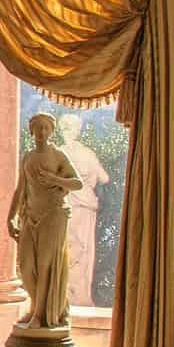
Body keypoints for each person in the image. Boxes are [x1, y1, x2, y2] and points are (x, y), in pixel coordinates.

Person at [6, 112, 83, 332]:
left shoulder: (57, 155)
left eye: (45, 128)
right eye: (38, 127)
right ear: (31, 131)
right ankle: (39, 306)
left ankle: (39, 314)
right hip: (30, 216)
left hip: (53, 215)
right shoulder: (28, 157)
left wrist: (55, 179)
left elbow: (78, 183)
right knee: (26, 266)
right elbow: (20, 189)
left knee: (45, 266)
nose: (41, 132)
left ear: (51, 131)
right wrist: (10, 217)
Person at [56, 114, 110, 306]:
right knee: (82, 251)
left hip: (66, 206)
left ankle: (67, 297)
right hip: (83, 206)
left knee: (67, 250)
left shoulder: (59, 153)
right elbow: (104, 178)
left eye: (68, 127)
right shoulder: (87, 154)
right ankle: (79, 298)